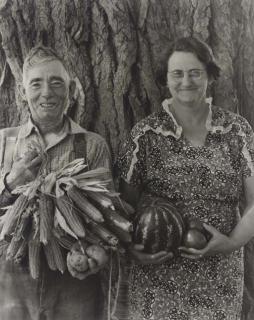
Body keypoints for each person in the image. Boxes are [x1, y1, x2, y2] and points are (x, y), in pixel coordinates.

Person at [117, 37, 254, 320]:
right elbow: (123, 208)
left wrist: (231, 243)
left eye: (195, 73)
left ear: (210, 76)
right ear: (165, 80)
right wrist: (132, 248)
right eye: (177, 73)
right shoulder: (145, 135)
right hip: (158, 278)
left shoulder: (237, 130)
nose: (186, 81)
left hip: (220, 275)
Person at [0, 46, 111, 320]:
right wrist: (13, 181)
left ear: (71, 91)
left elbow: (108, 214)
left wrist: (97, 253)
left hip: (74, 278)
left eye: (56, 82)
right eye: (36, 83)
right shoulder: (4, 142)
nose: (47, 92)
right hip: (11, 278)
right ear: (22, 93)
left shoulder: (92, 145)